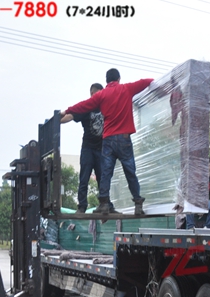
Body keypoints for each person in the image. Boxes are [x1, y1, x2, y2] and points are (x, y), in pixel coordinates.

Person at [62, 68, 154, 216]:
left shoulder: (102, 95)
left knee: (105, 173)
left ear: (106, 81)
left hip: (108, 141)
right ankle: (138, 204)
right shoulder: (126, 88)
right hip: (124, 139)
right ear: (118, 79)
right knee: (130, 172)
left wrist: (66, 110)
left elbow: (83, 105)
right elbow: (146, 82)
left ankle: (104, 205)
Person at [60, 83, 108, 214]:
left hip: (101, 149)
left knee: (102, 178)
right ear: (92, 94)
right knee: (84, 178)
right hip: (88, 148)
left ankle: (104, 204)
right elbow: (71, 115)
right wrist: (58, 120)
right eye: (98, 94)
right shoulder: (87, 107)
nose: (100, 96)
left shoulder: (105, 106)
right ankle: (82, 206)